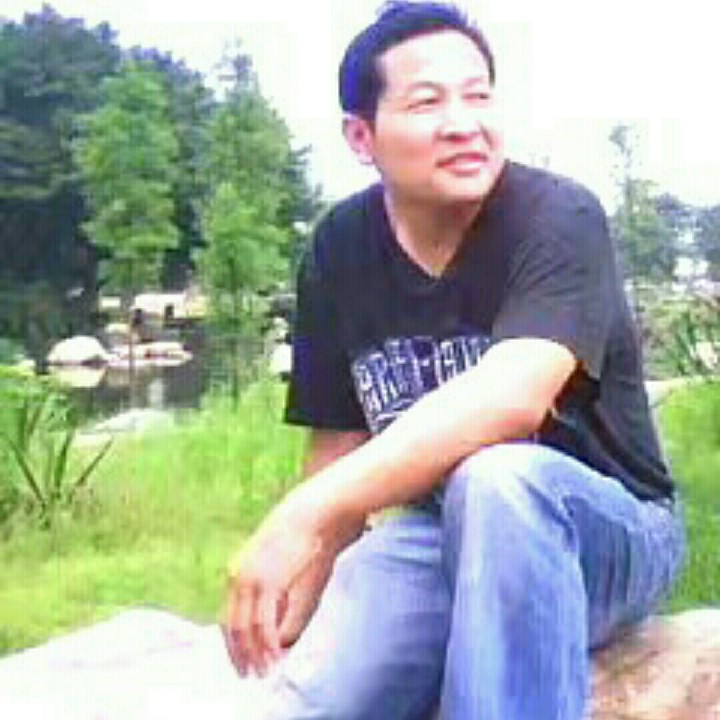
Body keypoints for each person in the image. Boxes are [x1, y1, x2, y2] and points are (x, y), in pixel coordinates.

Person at [224, 3, 686, 718]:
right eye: (427, 102)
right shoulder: (339, 249)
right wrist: (299, 589)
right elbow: (340, 443)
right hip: (439, 540)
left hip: (606, 532)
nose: (464, 123)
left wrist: (302, 513)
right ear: (360, 136)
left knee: (499, 479)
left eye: (478, 96)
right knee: (311, 700)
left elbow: (512, 398)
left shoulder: (557, 218)